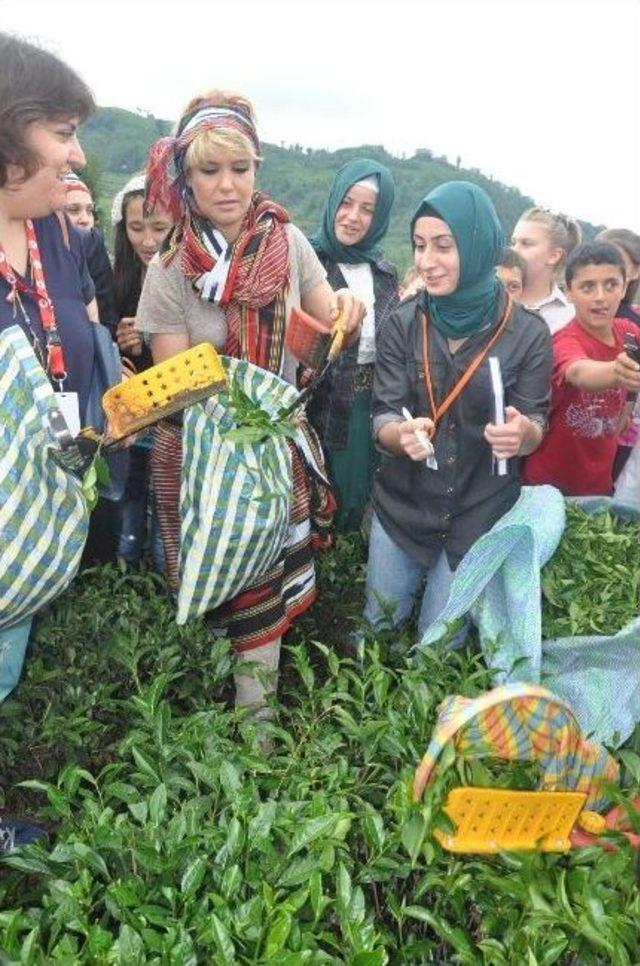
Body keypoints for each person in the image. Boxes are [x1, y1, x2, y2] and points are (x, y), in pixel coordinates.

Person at [136, 89, 364, 715]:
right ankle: (212, 727)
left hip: (272, 450)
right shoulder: (170, 265)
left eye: (240, 169)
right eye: (210, 171)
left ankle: (255, 735)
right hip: (204, 457)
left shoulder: (287, 244)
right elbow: (180, 381)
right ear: (185, 177)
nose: (228, 186)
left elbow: (328, 321)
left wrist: (344, 318)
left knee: (262, 594)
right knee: (219, 591)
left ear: (257, 168)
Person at [363, 181, 552, 641]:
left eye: (444, 246)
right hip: (403, 507)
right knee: (377, 630)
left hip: (478, 510)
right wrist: (399, 436)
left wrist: (522, 433)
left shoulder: (527, 334)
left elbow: (536, 421)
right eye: (419, 246)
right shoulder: (403, 323)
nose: (427, 261)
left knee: (439, 645)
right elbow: (384, 414)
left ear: (478, 243)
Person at [0, 31, 97, 850]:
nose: (78, 156)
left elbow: (74, 347)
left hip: (26, 521)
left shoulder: (56, 235)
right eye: (63, 133)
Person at [307, 158, 398, 532]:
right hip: (322, 402)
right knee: (323, 487)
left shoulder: (384, 270)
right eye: (346, 203)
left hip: (372, 401)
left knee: (365, 488)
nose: (352, 217)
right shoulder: (309, 259)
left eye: (367, 210)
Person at [523, 242, 640, 496]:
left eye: (611, 284)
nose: (600, 296)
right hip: (546, 489)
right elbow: (578, 372)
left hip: (598, 486)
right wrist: (618, 373)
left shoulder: (629, 333)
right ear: (569, 292)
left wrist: (629, 404)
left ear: (623, 288)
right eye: (588, 287)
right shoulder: (564, 341)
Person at [111, 172, 174, 564]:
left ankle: (162, 582)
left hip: (172, 411)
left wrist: (153, 338)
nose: (148, 241)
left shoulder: (189, 276)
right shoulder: (116, 276)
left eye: (159, 228)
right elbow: (99, 333)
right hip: (131, 413)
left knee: (167, 502)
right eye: (136, 228)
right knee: (130, 499)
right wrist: (115, 341)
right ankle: (124, 579)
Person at [595, 229, 640, 480]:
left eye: (616, 260)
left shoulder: (633, 325)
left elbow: (634, 370)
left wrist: (629, 406)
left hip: (620, 430)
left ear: (634, 272)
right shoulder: (577, 316)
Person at [511, 207, 581, 333]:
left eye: (526, 243)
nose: (514, 250)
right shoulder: (491, 300)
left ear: (553, 256)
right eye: (513, 242)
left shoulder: (569, 318)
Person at [63, 171, 117, 333]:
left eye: (89, 210)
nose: (85, 219)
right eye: (73, 210)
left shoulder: (94, 247)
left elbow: (108, 316)